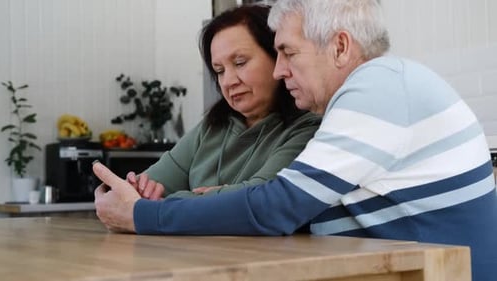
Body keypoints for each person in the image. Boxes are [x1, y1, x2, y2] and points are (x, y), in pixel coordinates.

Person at [93, 1, 497, 279]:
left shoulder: (378, 89)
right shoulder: (375, 90)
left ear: (339, 46)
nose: (279, 71)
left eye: (288, 52)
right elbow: (294, 206)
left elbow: (278, 207)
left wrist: (142, 216)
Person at [123, 5, 321, 201]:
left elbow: (260, 199)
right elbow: (142, 189)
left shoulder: (308, 126)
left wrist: (166, 203)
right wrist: (127, 191)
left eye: (240, 63)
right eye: (219, 71)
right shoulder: (212, 126)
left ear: (278, 57)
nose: (228, 81)